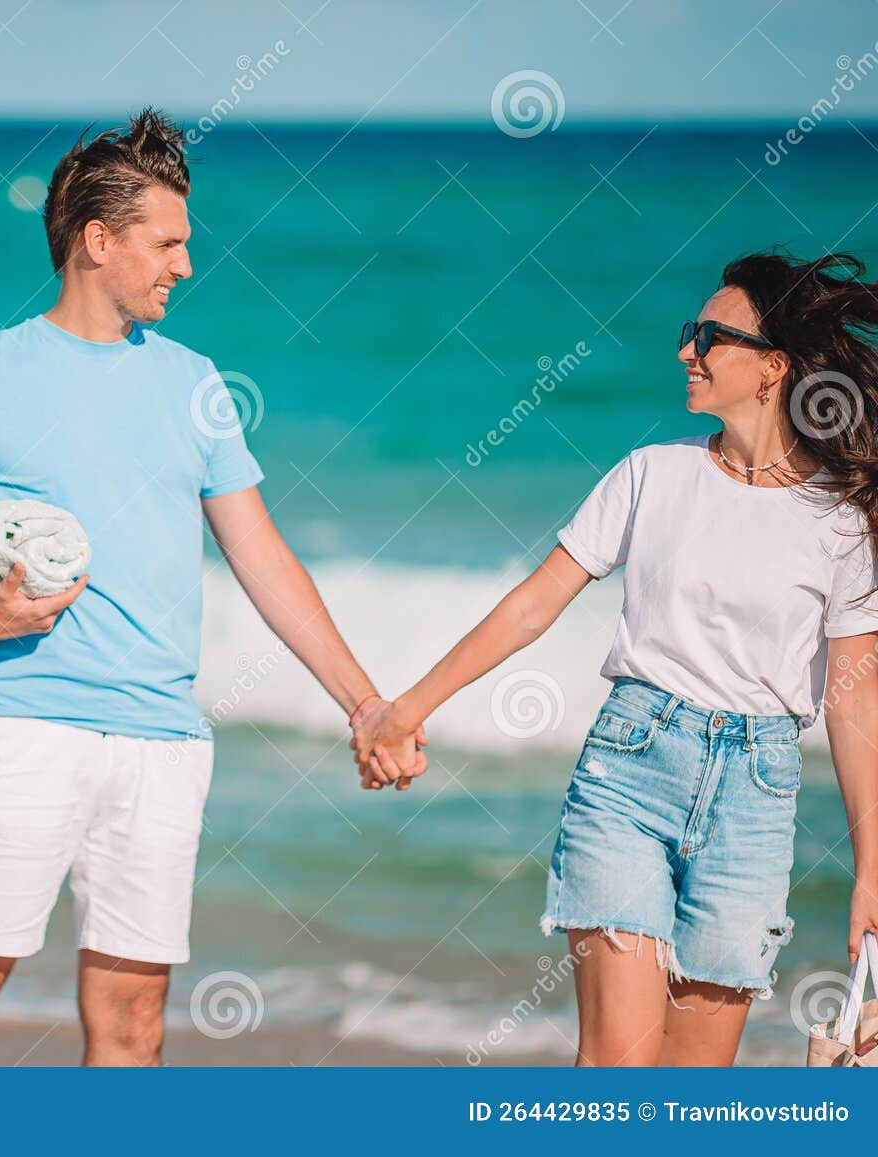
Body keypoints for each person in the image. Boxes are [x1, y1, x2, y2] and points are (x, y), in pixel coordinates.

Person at [0, 108, 420, 1066]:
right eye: (168, 243)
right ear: (97, 240)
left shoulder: (197, 384)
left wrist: (364, 702)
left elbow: (262, 554)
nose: (185, 265)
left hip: (160, 743)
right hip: (19, 727)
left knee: (133, 1029)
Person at [351, 250, 878, 1066]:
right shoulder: (650, 475)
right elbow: (532, 605)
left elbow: (852, 697)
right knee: (617, 1073)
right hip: (629, 773)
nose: (686, 351)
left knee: (690, 1097)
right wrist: (407, 708)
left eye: (710, 335)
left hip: (758, 797)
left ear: (773, 366)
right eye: (687, 332)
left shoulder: (839, 519)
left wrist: (871, 864)